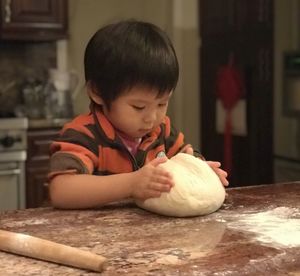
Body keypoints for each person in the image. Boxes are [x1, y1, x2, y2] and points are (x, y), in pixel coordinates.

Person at [48, 19, 228, 209]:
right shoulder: (84, 135)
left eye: (162, 103)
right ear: (98, 92)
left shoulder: (162, 131)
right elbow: (61, 191)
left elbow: (187, 156)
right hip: (97, 235)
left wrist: (200, 170)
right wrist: (132, 184)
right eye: (139, 107)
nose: (151, 118)